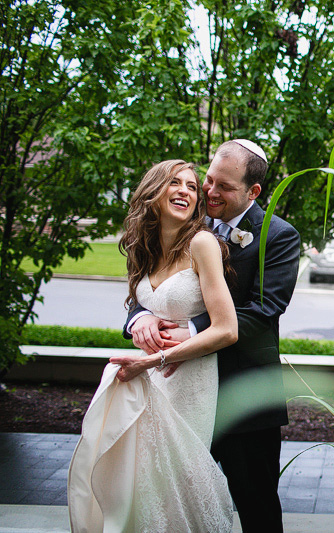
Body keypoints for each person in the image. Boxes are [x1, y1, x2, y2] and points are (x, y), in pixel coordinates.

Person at [124, 140, 301, 532]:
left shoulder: (278, 235)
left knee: (256, 507)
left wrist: (189, 331)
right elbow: (154, 284)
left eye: (224, 187)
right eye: (208, 180)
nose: (208, 191)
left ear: (252, 192)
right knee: (175, 504)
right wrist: (138, 319)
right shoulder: (187, 220)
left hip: (243, 397)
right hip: (179, 395)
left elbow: (264, 310)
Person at [68, 160, 237, 532]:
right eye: (174, 183)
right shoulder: (142, 246)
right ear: (153, 192)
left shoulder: (202, 243)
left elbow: (227, 330)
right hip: (152, 379)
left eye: (192, 187)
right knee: (142, 479)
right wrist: (139, 319)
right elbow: (139, 303)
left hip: (189, 379)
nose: (185, 191)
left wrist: (153, 359)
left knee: (180, 480)